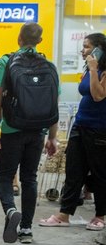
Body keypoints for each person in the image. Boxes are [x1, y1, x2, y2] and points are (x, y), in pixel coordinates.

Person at [0, 23, 59, 244]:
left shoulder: (6, 61)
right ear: (39, 41)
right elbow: (53, 103)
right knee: (30, 178)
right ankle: (27, 229)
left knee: (3, 176)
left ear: (19, 38)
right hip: (38, 130)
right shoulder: (49, 65)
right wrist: (53, 136)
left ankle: (10, 211)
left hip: (11, 128)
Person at [38, 32, 106, 231]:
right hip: (80, 125)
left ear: (98, 49)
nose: (82, 50)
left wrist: (94, 69)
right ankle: (64, 214)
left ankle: (100, 215)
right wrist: (91, 68)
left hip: (99, 129)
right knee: (74, 171)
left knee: (100, 173)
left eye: (86, 47)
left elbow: (98, 96)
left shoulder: (100, 70)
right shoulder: (88, 68)